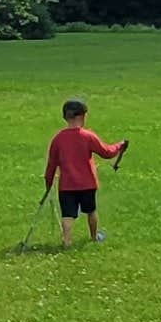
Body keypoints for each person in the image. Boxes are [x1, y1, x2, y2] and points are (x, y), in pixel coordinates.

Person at [43, 98, 127, 247]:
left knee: (68, 215)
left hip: (67, 185)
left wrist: (48, 184)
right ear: (82, 116)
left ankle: (67, 241)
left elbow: (51, 165)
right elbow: (106, 152)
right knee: (91, 211)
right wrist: (119, 145)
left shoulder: (58, 139)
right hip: (87, 183)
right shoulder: (88, 136)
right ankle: (94, 237)